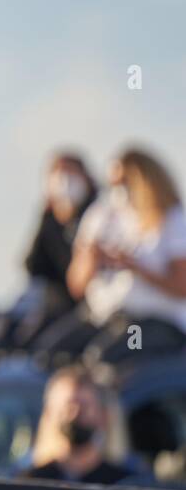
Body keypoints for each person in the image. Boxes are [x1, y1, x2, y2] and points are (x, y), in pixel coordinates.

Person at [35, 148, 186, 366]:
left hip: (154, 322)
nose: (118, 190)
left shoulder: (172, 220)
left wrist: (135, 267)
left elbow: (182, 287)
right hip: (104, 317)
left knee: (104, 359)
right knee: (50, 354)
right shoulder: (101, 217)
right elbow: (76, 286)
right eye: (113, 184)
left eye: (124, 182)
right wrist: (91, 259)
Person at [11, 153, 97, 349]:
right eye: (58, 174)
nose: (64, 181)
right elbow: (32, 267)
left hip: (88, 310)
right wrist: (46, 215)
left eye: (70, 173)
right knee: (23, 338)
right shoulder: (50, 219)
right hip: (55, 306)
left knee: (54, 346)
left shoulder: (98, 214)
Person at [19, 365, 135, 485]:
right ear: (49, 414)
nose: (75, 415)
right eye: (68, 407)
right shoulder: (31, 482)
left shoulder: (123, 484)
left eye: (84, 407)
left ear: (103, 416)